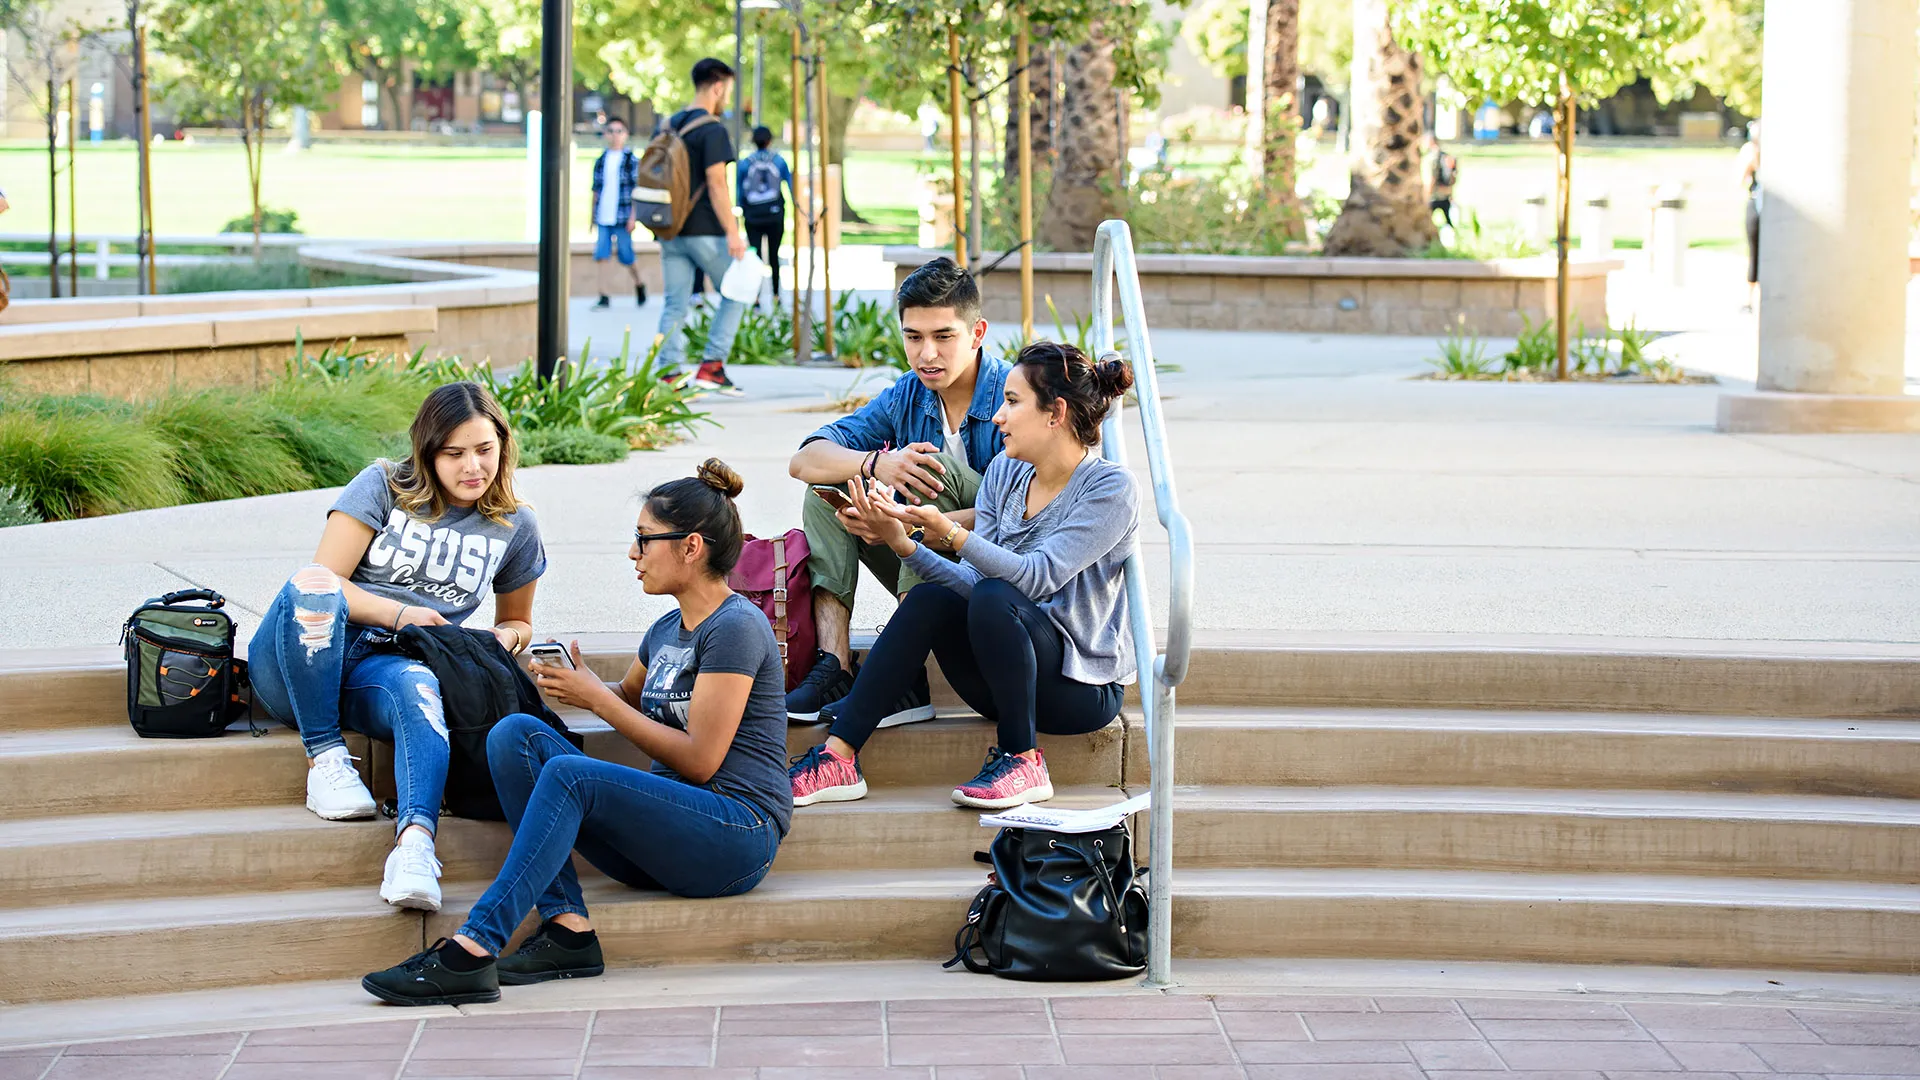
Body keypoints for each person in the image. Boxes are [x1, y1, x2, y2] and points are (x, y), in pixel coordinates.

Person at [359, 460, 790, 1006]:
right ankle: (569, 931)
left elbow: (701, 761)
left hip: (734, 834)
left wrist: (595, 697)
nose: (633, 554)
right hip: (665, 836)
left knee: (568, 774)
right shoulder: (665, 630)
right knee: (514, 734)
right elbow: (627, 699)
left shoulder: (735, 627)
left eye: (643, 540)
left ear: (691, 547)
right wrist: (569, 681)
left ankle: (473, 947)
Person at [788, 342, 1139, 811]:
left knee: (998, 594)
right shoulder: (1003, 474)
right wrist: (902, 541)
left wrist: (950, 532)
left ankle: (1024, 761)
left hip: (1078, 689)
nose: (998, 416)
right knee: (935, 598)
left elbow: (1037, 578)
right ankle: (838, 758)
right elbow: (969, 582)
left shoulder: (1109, 488)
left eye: (1013, 402)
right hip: (1001, 680)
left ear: (1055, 413)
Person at [247, 382, 546, 914]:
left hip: (388, 668)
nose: (472, 466)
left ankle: (414, 848)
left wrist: (504, 639)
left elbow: (519, 619)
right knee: (311, 585)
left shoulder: (515, 525)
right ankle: (325, 759)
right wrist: (402, 613)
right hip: (304, 655)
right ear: (427, 451)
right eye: (453, 453)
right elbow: (327, 579)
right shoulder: (383, 485)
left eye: (484, 450)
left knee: (420, 686)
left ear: (503, 446)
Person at [783, 257, 1010, 723]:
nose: (927, 354)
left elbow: (1035, 514)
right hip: (931, 562)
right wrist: (875, 463)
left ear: (978, 332)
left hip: (1003, 584)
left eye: (943, 336)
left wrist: (901, 526)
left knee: (927, 469)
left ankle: (899, 666)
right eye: (914, 337)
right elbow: (805, 459)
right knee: (831, 487)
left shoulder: (1015, 392)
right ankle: (836, 665)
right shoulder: (908, 393)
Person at [656, 58, 750, 397]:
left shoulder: (667, 125)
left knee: (674, 304)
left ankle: (669, 375)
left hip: (670, 230)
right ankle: (712, 366)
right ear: (718, 86)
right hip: (706, 231)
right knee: (740, 287)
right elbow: (717, 183)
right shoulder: (712, 129)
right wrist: (733, 231)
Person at [590, 117, 647, 310]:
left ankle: (639, 284)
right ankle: (603, 294)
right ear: (606, 134)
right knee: (602, 254)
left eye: (619, 131)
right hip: (604, 215)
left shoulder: (631, 160)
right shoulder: (601, 160)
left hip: (622, 216)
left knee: (626, 255)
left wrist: (633, 217)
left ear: (626, 134)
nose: (615, 135)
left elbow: (636, 191)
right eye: (611, 131)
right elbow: (596, 190)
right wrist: (592, 216)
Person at [737, 125, 793, 305]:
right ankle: (776, 295)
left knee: (755, 257)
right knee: (774, 254)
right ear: (770, 140)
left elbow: (740, 192)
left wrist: (740, 210)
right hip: (774, 215)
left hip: (752, 216)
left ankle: (756, 297)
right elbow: (790, 187)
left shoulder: (745, 163)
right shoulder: (779, 161)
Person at [1737, 120, 1762, 314]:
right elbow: (1740, 178)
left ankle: (1756, 298)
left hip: (1763, 204)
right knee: (1754, 252)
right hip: (1756, 202)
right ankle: (1749, 298)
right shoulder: (1751, 152)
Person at [1428, 135, 1458, 228]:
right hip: (1446, 194)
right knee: (1447, 219)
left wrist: (1427, 193)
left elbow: (1433, 177)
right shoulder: (1446, 156)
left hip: (1435, 195)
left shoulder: (1433, 157)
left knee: (1428, 219)